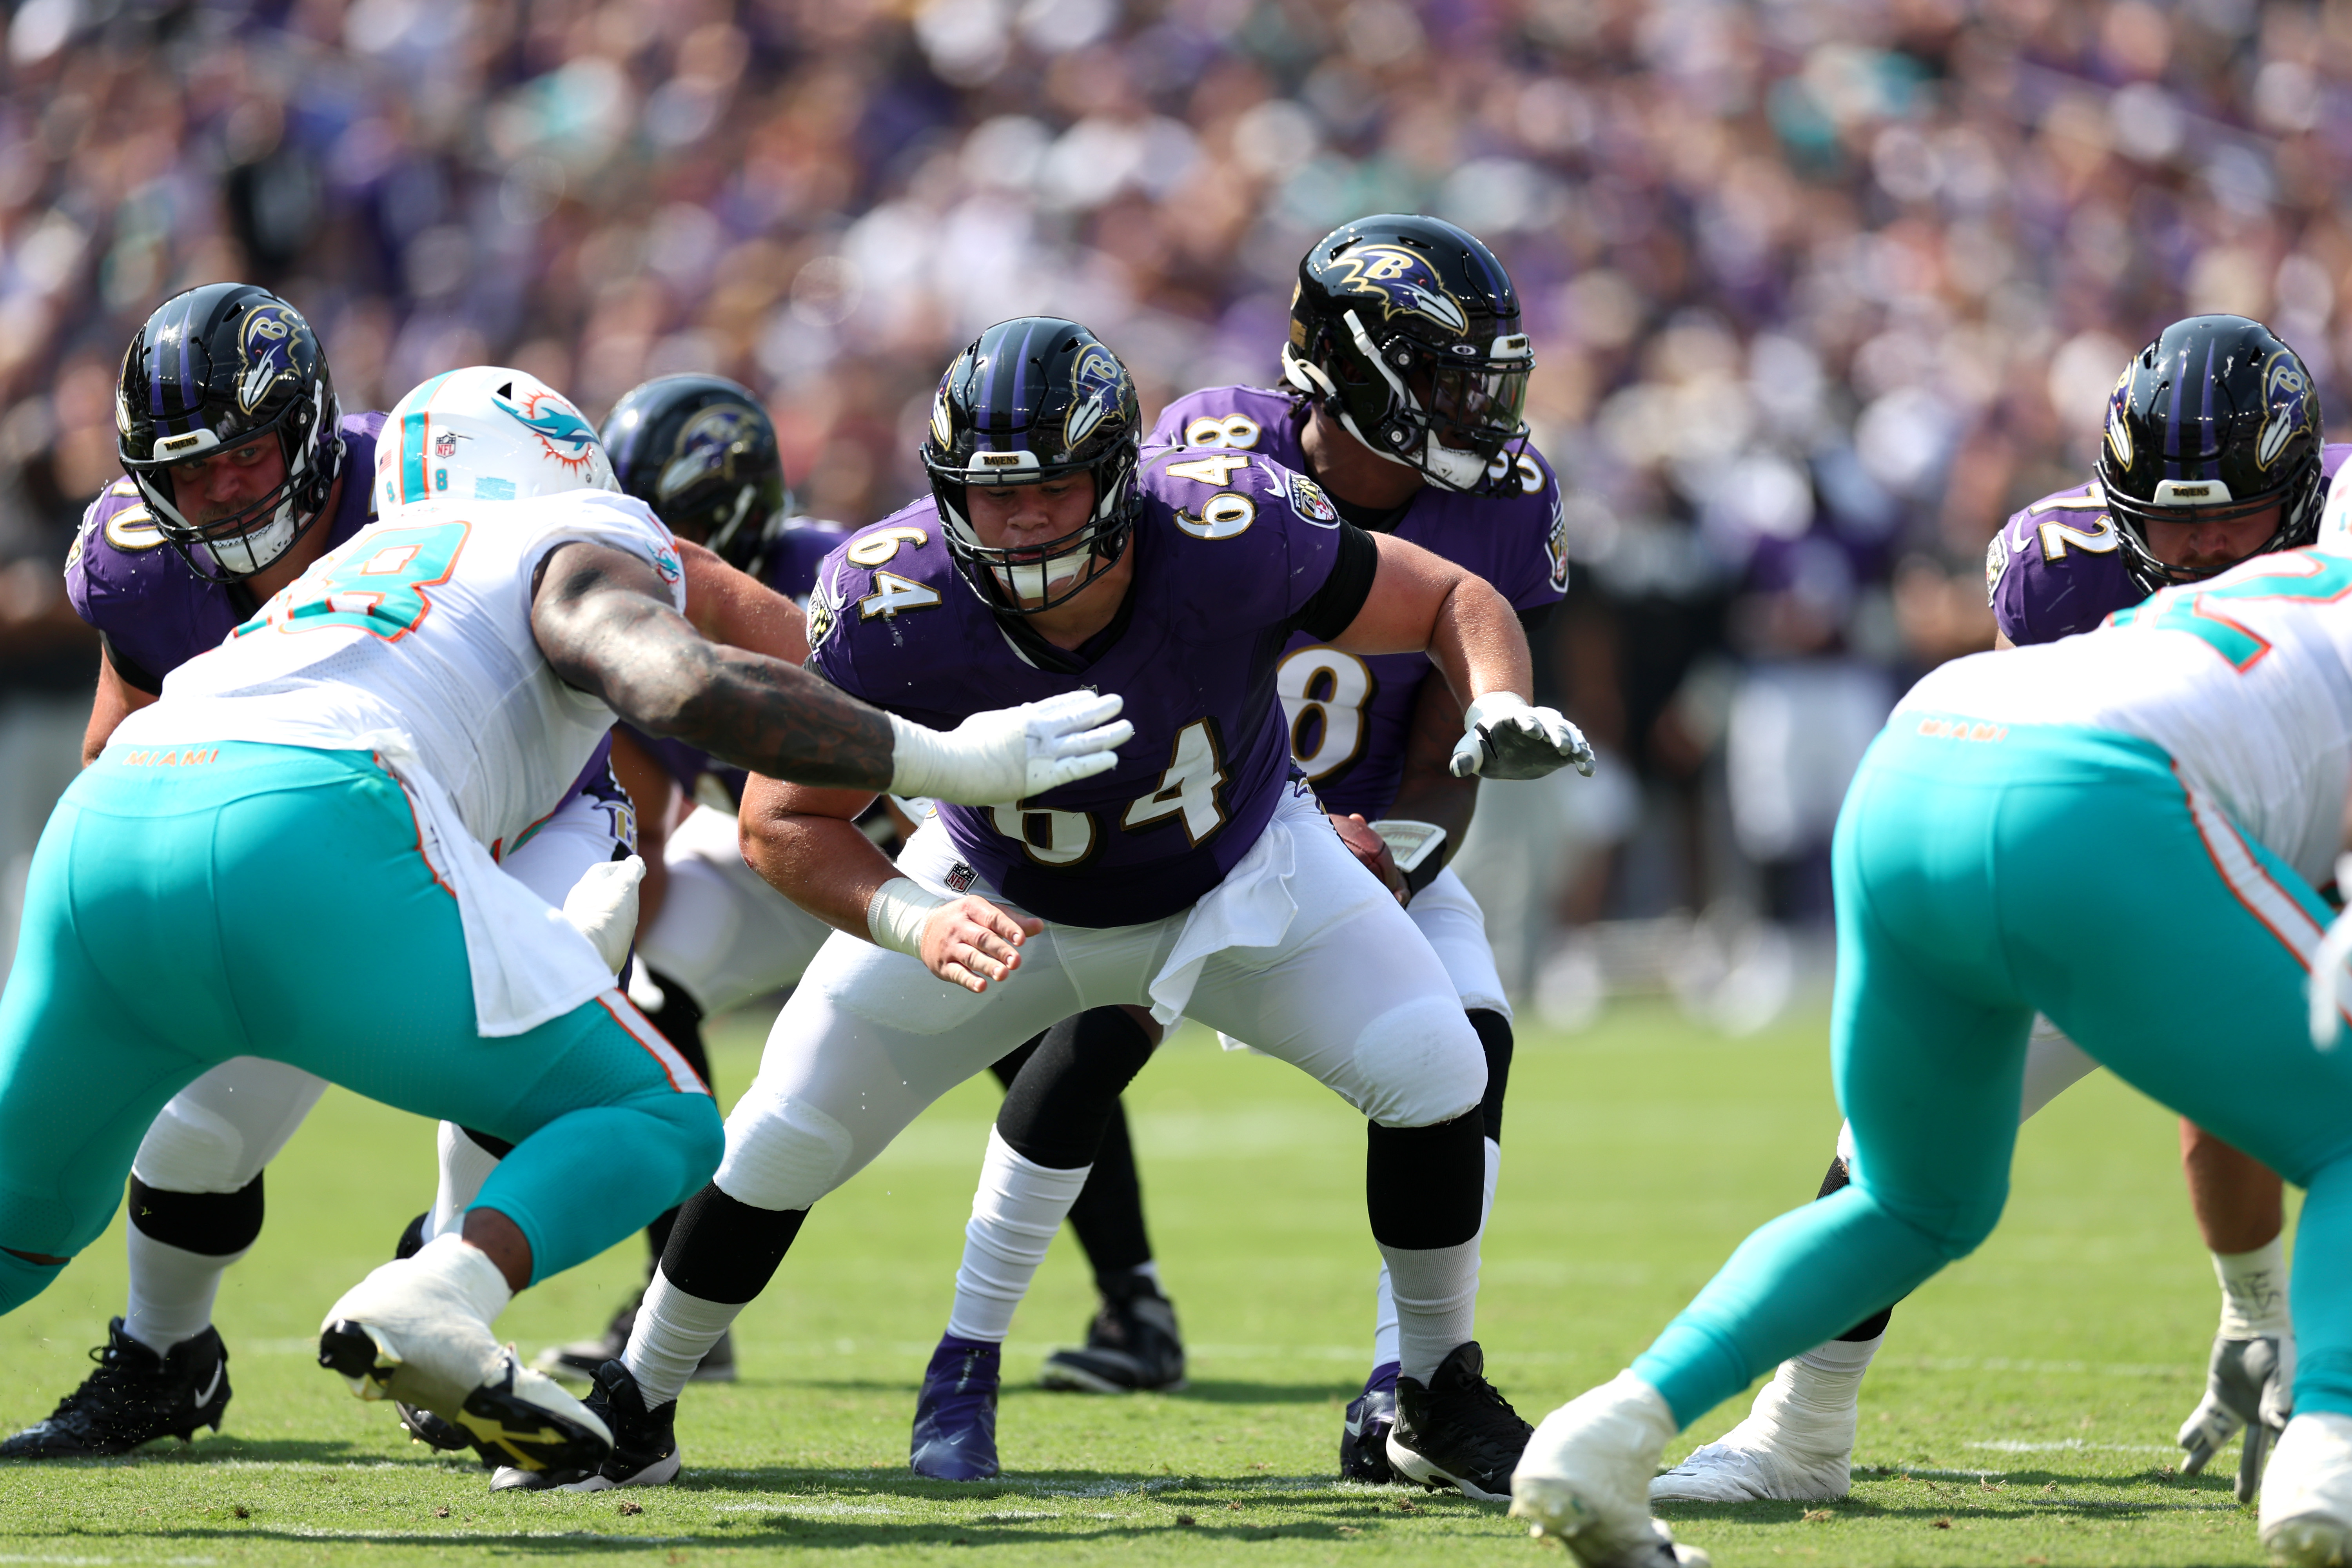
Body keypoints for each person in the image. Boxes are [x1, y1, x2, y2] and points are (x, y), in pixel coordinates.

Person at [0, 362, 1133, 1479]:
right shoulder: (570, 532)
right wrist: (949, 759)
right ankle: (445, 1282)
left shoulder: (350, 564)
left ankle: (322, 1297)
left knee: (22, 1222)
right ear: (567, 468)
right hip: (309, 819)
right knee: (663, 1115)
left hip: (105, 826)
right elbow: (685, 689)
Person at [526, 315, 1593, 1499]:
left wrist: (1495, 699)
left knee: (1438, 1064)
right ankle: (637, 1405)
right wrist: (909, 920)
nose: (1025, 519)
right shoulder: (896, 597)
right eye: (993, 497)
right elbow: (783, 821)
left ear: (1119, 477)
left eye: (1055, 486)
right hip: (998, 896)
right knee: (782, 1138)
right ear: (946, 497)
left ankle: (1434, 1394)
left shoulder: (1228, 530)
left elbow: (1451, 595)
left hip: (1240, 874)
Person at [1511, 537, 2352, 1568]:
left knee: (1910, 1201)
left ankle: (1608, 1431)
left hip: (1925, 745)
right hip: (2091, 797)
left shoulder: (2279, 586)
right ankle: (2336, 1449)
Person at [1653, 313, 2349, 1506]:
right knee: (1882, 1157)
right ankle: (1799, 1426)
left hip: (2300, 844)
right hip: (2108, 863)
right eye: (2170, 523)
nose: (2197, 552)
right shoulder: (2059, 567)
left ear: (2295, 495)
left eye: (2227, 518)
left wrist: (2253, 1302)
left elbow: (2219, 1093)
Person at [926, 214, 1567, 1480]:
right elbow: (1158, 657)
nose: (1475, 404)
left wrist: (1402, 854)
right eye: (1441, 373)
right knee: (1099, 1032)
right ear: (1353, 366)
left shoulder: (1509, 497)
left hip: (1366, 832)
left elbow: (1449, 741)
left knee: (1471, 1036)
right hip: (1187, 808)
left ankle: (1416, 1392)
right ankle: (981, 1346)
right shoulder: (1219, 449)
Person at [1, 286, 630, 1460]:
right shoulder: (138, 567)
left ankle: (438, 1310)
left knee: (519, 1052)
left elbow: (600, 626)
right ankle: (162, 1358)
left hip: (520, 813)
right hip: (302, 841)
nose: (227, 489)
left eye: (248, 456)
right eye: (192, 473)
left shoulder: (433, 477)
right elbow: (115, 737)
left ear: (308, 428)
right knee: (190, 1134)